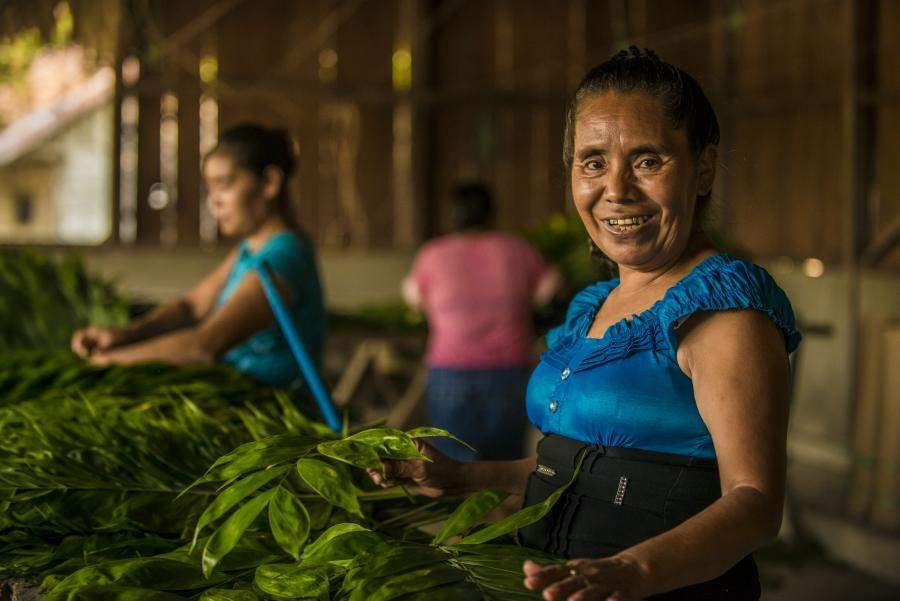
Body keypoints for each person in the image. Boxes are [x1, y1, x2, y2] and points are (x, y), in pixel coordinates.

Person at [370, 47, 800, 601]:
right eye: (592, 162)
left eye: (648, 161)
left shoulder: (721, 311)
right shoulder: (593, 306)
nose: (615, 190)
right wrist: (461, 479)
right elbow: (565, 470)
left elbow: (755, 502)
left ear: (704, 168)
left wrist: (633, 571)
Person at [71, 124, 325, 389]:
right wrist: (123, 335)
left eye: (224, 185)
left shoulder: (284, 256)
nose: (213, 201)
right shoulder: (251, 248)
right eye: (209, 189)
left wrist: (107, 363)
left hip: (276, 410)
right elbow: (192, 307)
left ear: (270, 183)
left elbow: (203, 346)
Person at [402, 182, 561, 461]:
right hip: (509, 370)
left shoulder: (433, 253)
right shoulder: (518, 249)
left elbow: (413, 298)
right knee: (503, 469)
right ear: (491, 213)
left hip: (450, 373)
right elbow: (551, 287)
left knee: (452, 468)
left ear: (453, 214)